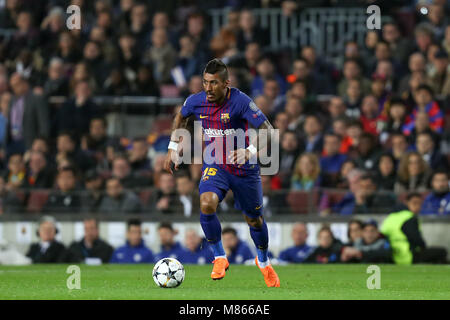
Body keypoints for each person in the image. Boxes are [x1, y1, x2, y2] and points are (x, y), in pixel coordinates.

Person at [163, 59, 280, 286]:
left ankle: (264, 262)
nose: (208, 88)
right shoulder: (196, 101)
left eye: (214, 83)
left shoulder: (241, 101)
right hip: (216, 165)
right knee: (206, 203)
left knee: (254, 220)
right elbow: (182, 116)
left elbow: (269, 130)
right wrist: (173, 148)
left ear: (226, 83)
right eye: (206, 82)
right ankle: (219, 257)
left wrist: (250, 151)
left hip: (245, 170)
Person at [381, 193, 447, 264]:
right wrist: (423, 247)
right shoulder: (409, 217)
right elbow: (416, 238)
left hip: (391, 254)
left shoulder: (390, 216)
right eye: (414, 203)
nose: (417, 207)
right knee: (442, 252)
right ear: (406, 203)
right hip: (407, 255)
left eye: (420, 204)